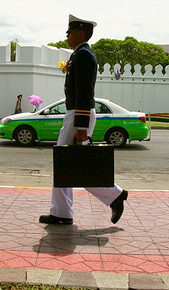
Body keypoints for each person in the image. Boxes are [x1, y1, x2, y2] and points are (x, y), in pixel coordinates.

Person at [39, 14, 128, 225]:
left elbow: (85, 92)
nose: (67, 36)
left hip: (79, 114)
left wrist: (80, 125)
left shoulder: (84, 55)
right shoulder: (79, 55)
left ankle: (113, 196)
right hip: (76, 113)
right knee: (67, 165)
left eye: (69, 32)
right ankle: (62, 211)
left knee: (71, 165)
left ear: (80, 33)